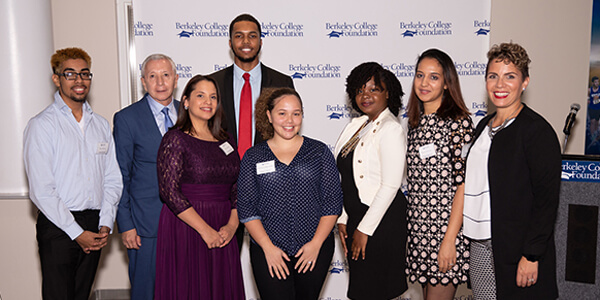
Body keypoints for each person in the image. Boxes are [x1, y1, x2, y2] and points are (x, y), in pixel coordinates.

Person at [463, 42, 561, 299]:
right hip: (481, 246)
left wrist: (531, 254)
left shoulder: (537, 131)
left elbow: (546, 201)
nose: (500, 85)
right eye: (493, 76)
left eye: (510, 77)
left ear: (525, 82)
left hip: (519, 250)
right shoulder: (483, 126)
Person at [23, 47, 122, 299]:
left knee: (81, 295)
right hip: (59, 225)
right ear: (56, 79)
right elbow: (42, 190)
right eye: (70, 74)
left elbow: (112, 179)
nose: (79, 80)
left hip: (95, 224)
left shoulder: (100, 124)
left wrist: (105, 223)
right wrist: (77, 232)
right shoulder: (42, 125)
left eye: (85, 73)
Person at [237, 88, 343, 300]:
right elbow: (246, 206)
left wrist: (315, 245)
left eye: (296, 113)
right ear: (269, 115)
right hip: (268, 250)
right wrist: (268, 248)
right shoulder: (254, 156)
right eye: (282, 113)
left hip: (314, 249)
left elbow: (333, 201)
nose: (290, 120)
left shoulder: (319, 151)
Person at [210, 13, 295, 250]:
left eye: (252, 36)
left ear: (260, 41)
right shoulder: (213, 83)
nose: (245, 42)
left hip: (270, 186)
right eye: (239, 36)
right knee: (222, 263)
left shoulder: (282, 82)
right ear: (230, 43)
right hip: (225, 188)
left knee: (273, 261)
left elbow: (288, 134)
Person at [155, 75, 245, 299]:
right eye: (200, 95)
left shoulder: (226, 139)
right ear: (185, 101)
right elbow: (169, 192)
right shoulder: (175, 139)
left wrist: (232, 226)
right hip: (187, 226)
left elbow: (236, 185)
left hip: (224, 224)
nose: (208, 102)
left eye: (213, 97)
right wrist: (205, 231)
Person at [335, 62, 408, 300]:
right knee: (361, 290)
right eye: (359, 90)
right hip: (357, 218)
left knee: (377, 291)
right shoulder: (356, 126)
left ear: (388, 93)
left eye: (373, 89)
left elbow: (390, 185)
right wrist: (344, 218)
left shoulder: (391, 129)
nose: (365, 95)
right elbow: (345, 179)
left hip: (381, 222)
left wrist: (364, 230)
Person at [404, 49, 472, 300]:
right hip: (420, 232)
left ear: (446, 83)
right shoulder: (415, 123)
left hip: (445, 233)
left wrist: (449, 239)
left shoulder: (458, 122)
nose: (424, 83)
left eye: (433, 77)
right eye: (420, 75)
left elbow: (463, 185)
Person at [113, 54, 179, 300]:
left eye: (165, 75)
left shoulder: (190, 113)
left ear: (176, 79)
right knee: (146, 292)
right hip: (145, 226)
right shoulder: (127, 119)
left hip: (188, 224)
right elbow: (120, 175)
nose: (160, 82)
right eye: (152, 76)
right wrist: (126, 224)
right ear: (143, 81)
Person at [586, 76, 600, 153]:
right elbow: (587, 98)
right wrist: (589, 100)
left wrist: (598, 99)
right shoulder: (589, 90)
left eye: (598, 82)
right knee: (592, 121)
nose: (597, 83)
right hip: (592, 108)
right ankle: (592, 136)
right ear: (592, 83)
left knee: (596, 122)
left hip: (598, 108)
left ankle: (595, 134)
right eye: (595, 82)